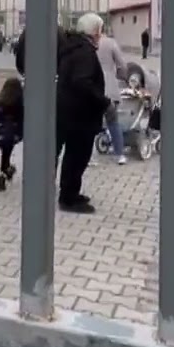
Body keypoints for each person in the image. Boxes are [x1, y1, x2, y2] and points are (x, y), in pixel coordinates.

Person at [56, 14, 110, 214]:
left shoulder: (72, 48)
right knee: (77, 156)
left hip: (70, 113)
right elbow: (82, 82)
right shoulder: (85, 52)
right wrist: (103, 101)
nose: (100, 35)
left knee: (73, 155)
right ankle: (68, 198)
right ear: (94, 32)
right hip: (80, 115)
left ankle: (70, 192)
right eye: (100, 31)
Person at [95, 20, 130, 165]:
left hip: (93, 87)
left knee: (90, 122)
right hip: (109, 88)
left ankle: (90, 157)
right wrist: (122, 77)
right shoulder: (110, 43)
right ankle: (119, 154)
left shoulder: (89, 44)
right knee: (113, 122)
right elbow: (122, 65)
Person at [0, 77, 24, 190]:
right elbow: (21, 118)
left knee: (5, 154)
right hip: (11, 133)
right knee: (6, 154)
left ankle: (7, 171)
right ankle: (4, 174)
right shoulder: (17, 102)